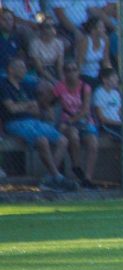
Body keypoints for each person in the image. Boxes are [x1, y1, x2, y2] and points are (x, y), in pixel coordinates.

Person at [0, 57, 73, 191]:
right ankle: (57, 177)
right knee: (42, 140)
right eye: (21, 67)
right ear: (11, 69)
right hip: (14, 123)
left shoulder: (24, 86)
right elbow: (12, 109)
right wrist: (27, 105)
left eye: (24, 67)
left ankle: (49, 178)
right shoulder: (4, 85)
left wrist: (27, 107)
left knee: (63, 140)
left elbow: (36, 110)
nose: (24, 70)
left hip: (33, 121)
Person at [54, 61, 99, 189]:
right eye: (68, 70)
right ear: (64, 72)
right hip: (67, 122)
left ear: (78, 72)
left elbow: (85, 109)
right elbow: (48, 102)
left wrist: (70, 121)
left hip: (84, 121)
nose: (71, 73)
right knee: (73, 135)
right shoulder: (60, 87)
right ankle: (76, 165)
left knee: (93, 143)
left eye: (74, 70)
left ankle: (87, 178)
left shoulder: (85, 87)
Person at [76, 17, 110, 88]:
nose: (104, 30)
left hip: (98, 74)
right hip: (84, 75)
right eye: (101, 27)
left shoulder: (105, 40)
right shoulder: (85, 41)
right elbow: (79, 63)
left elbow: (106, 62)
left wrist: (110, 75)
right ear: (93, 30)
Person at [29, 20, 64, 85]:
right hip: (39, 72)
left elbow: (59, 66)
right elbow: (39, 67)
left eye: (53, 26)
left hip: (53, 69)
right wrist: (54, 81)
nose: (51, 29)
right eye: (48, 27)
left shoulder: (59, 43)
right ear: (42, 30)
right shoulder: (35, 44)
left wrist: (62, 81)